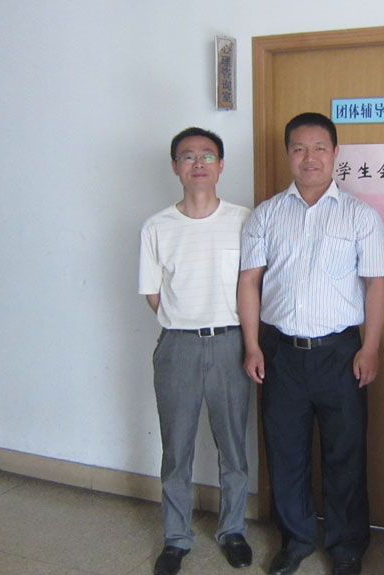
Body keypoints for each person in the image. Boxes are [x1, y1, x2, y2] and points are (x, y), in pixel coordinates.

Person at [237, 112, 384, 575]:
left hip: (341, 354)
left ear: (335, 153)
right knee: (285, 453)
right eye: (299, 148)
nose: (310, 157)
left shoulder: (360, 216)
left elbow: (377, 285)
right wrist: (252, 345)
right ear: (288, 154)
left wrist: (370, 347)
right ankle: (296, 540)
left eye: (320, 147)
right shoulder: (266, 215)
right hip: (280, 353)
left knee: (345, 454)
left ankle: (346, 547)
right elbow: (249, 283)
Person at [139, 127, 254, 575]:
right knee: (177, 448)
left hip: (231, 344)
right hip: (178, 347)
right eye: (188, 156)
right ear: (175, 167)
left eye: (208, 155)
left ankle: (232, 530)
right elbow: (153, 294)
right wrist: (185, 321)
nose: (198, 163)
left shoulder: (245, 220)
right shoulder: (157, 227)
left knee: (233, 446)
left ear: (221, 165)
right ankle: (176, 537)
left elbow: (254, 285)